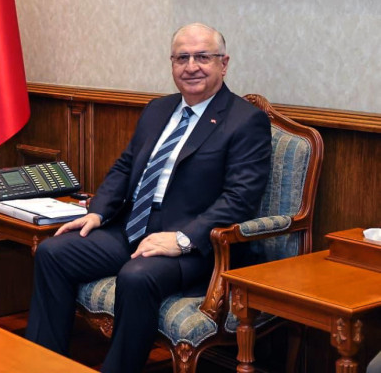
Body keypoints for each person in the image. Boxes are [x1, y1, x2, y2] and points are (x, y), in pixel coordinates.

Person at [25, 23, 272, 372]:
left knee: (136, 276)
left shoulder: (245, 121)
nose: (191, 67)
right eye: (182, 58)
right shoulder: (158, 109)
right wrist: (97, 213)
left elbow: (240, 198)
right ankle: (42, 364)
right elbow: (126, 166)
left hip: (198, 246)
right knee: (53, 253)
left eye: (202, 57)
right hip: (134, 228)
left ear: (224, 63)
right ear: (172, 64)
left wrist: (182, 239)